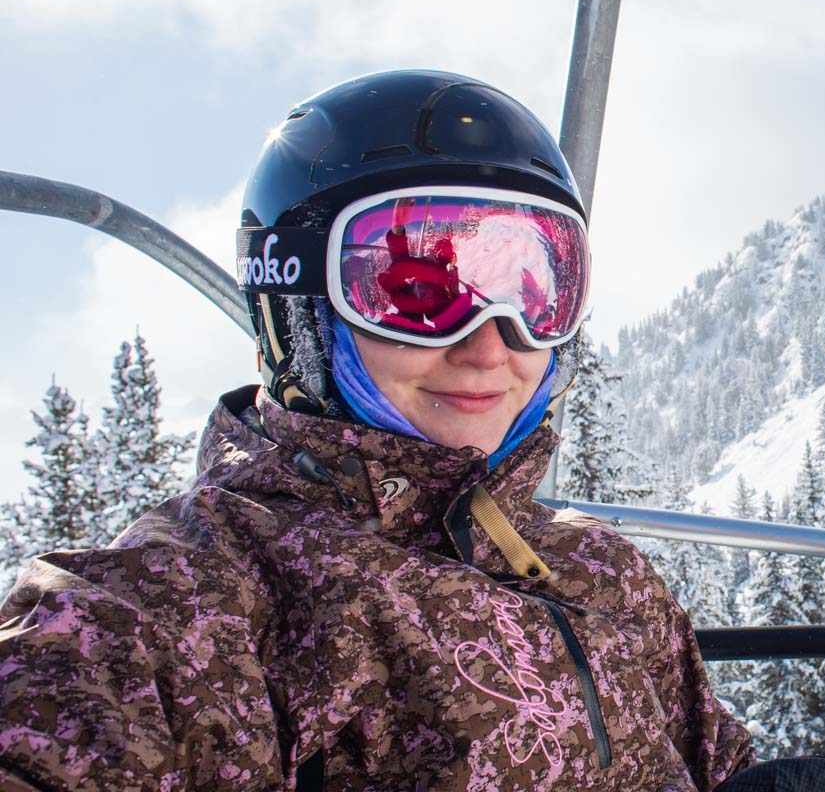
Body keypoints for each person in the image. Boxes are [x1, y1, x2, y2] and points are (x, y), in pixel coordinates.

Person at [0, 70, 756, 791]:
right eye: (419, 295)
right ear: (297, 309)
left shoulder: (598, 565)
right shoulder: (187, 603)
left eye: (533, 295)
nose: (492, 346)